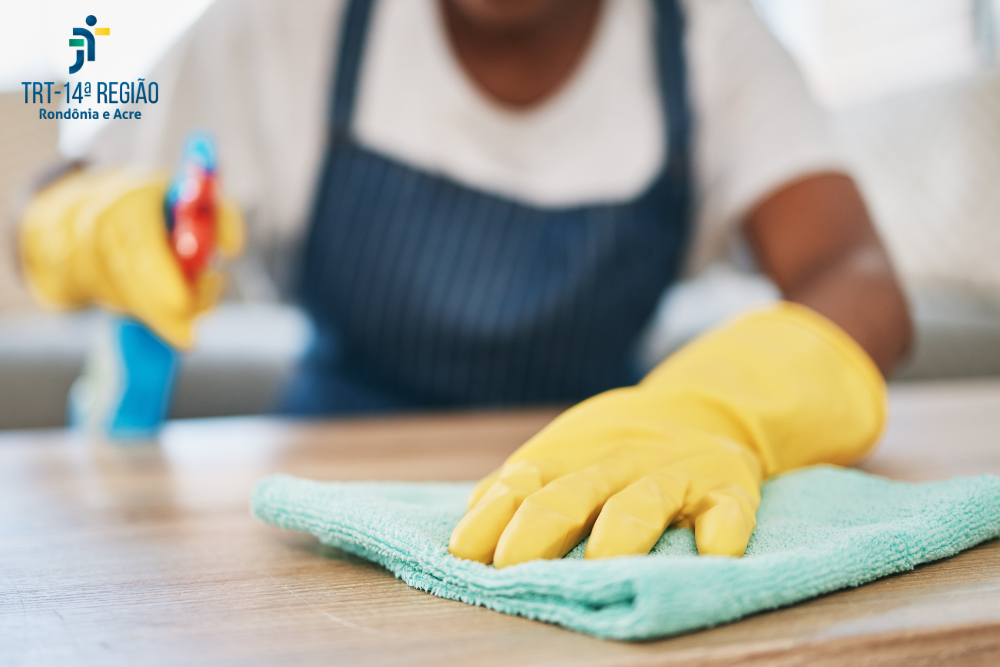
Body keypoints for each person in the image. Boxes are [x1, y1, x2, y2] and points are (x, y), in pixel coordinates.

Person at [20, 0, 911, 566]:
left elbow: (859, 278)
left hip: (608, 500)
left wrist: (718, 408)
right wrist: (77, 225)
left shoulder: (710, 36)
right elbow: (51, 194)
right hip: (323, 517)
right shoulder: (288, 23)